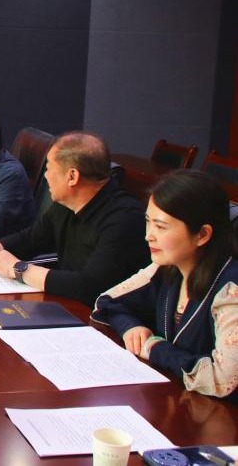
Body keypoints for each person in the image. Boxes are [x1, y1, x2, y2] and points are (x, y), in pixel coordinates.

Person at [92, 170, 238, 401]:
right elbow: (107, 302)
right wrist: (130, 327)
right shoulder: (166, 267)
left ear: (202, 234)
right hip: (179, 401)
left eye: (161, 227)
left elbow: (222, 380)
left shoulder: (231, 291)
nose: (149, 236)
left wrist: (154, 348)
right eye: (148, 222)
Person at [0, 132, 150, 306]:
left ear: (72, 177)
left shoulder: (124, 219)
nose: (45, 176)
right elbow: (33, 238)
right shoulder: (67, 203)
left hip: (102, 315)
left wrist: (18, 269)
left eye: (48, 168)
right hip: (68, 304)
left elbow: (90, 286)